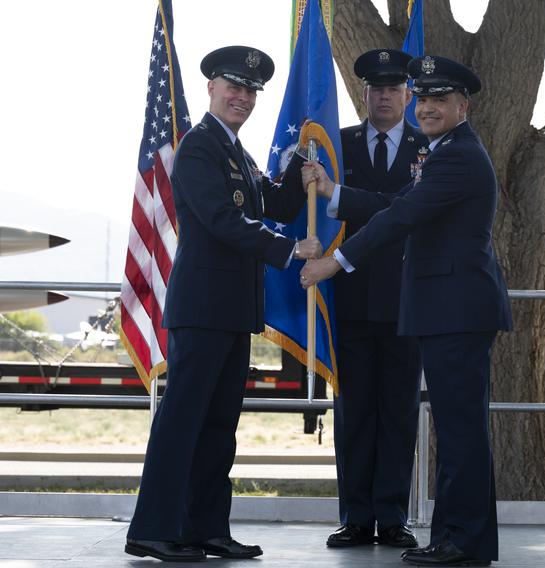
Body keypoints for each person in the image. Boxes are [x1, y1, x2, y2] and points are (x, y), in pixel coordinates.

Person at [301, 55, 511, 567]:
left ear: (463, 106)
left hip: (455, 310)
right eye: (425, 99)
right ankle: (463, 538)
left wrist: (335, 261)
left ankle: (460, 541)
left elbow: (402, 215)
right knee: (461, 430)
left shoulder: (455, 155)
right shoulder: (448, 151)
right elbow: (396, 210)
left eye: (440, 100)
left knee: (459, 433)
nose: (428, 108)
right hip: (447, 310)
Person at [125, 45, 322, 562]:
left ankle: (205, 529)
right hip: (203, 308)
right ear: (211, 88)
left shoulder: (238, 152)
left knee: (218, 429)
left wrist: (300, 169)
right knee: (182, 423)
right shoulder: (198, 147)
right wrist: (287, 250)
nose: (242, 97)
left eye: (250, 90)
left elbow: (270, 206)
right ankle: (153, 529)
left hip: (233, 311)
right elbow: (220, 219)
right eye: (232, 87)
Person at [325, 48, 428, 550]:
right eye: (375, 88)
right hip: (348, 299)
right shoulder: (335, 144)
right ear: (363, 92)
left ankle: (392, 517)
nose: (384, 95)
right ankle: (354, 517)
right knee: (354, 413)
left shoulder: (428, 147)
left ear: (408, 95)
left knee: (399, 412)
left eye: (393, 88)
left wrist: (339, 194)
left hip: (407, 301)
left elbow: (412, 209)